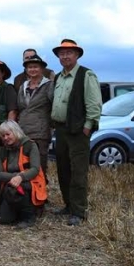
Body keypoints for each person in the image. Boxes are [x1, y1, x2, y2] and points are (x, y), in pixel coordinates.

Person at [51, 39, 102, 226]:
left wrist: (88, 126)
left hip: (79, 130)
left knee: (78, 172)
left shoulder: (86, 75)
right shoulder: (58, 77)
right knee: (63, 170)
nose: (64, 56)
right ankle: (68, 205)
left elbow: (94, 103)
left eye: (68, 53)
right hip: (61, 129)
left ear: (77, 55)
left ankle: (79, 211)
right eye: (61, 53)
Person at [0, 120, 47, 228]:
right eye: (3, 136)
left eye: (8, 134)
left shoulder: (30, 145)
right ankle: (19, 212)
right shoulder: (2, 150)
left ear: (15, 132)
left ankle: (29, 217)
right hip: (11, 184)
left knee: (18, 187)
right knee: (3, 220)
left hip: (31, 182)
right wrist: (15, 177)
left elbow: (35, 169)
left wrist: (21, 177)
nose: (5, 138)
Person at [17, 54, 54, 176]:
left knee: (39, 167)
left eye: (35, 67)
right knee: (24, 165)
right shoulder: (23, 86)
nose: (32, 69)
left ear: (42, 69)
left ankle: (41, 193)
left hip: (40, 133)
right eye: (29, 67)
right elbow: (20, 108)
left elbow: (54, 105)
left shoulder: (49, 85)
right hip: (23, 133)